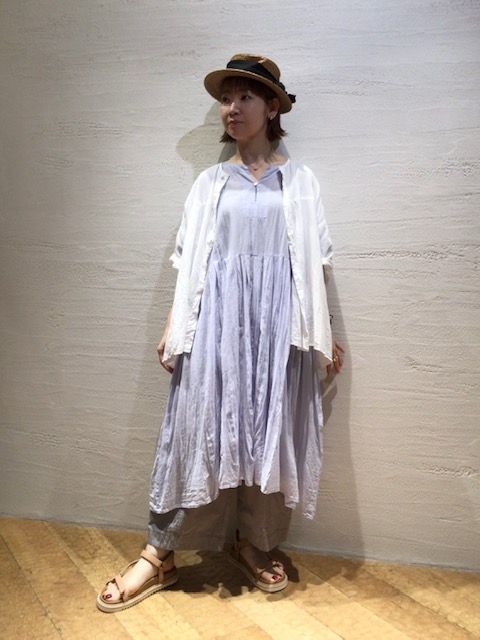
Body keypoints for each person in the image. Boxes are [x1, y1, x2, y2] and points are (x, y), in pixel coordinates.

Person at [96, 53, 344, 613]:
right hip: (214, 324)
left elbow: (316, 263)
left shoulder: (301, 182)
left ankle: (252, 542)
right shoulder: (209, 184)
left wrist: (324, 330)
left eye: (244, 97)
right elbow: (188, 262)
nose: (231, 108)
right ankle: (158, 553)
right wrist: (173, 327)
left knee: (267, 431)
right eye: (226, 99)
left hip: (279, 329)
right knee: (192, 430)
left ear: (272, 107)